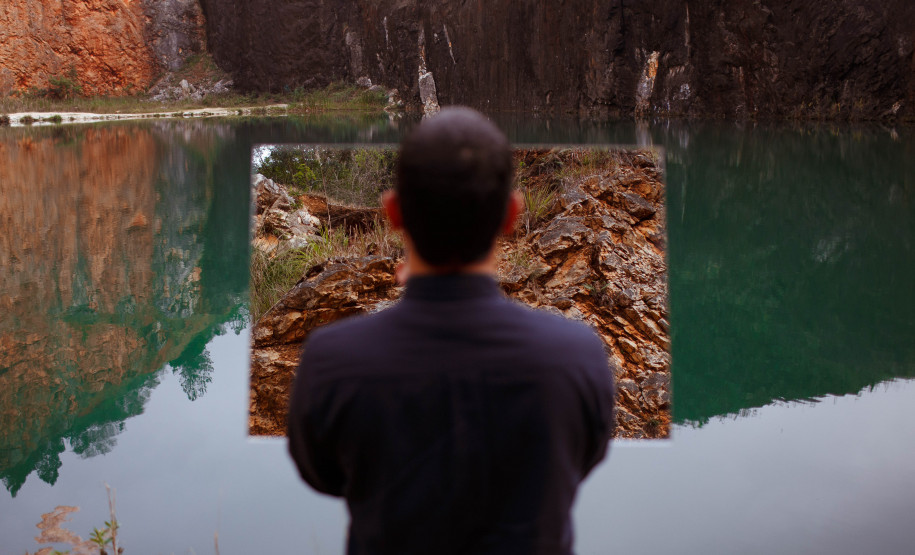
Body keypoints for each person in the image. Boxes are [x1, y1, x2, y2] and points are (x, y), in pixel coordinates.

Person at [287, 107, 615, 555]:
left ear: (393, 212)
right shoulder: (575, 354)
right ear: (512, 215)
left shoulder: (333, 357)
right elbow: (581, 459)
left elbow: (321, 474)